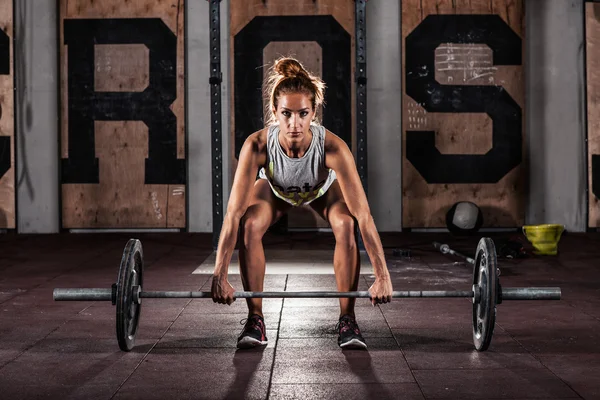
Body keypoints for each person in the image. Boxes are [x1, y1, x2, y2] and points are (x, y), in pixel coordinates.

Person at [211, 57, 393, 350]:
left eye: (302, 114)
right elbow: (232, 214)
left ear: (313, 114)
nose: (294, 123)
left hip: (321, 192)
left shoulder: (332, 147)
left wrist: (383, 276)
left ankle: (347, 319)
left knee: (346, 223)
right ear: (274, 112)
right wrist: (219, 275)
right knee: (248, 225)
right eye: (286, 114)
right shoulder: (257, 145)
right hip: (275, 191)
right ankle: (255, 319)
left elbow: (365, 216)